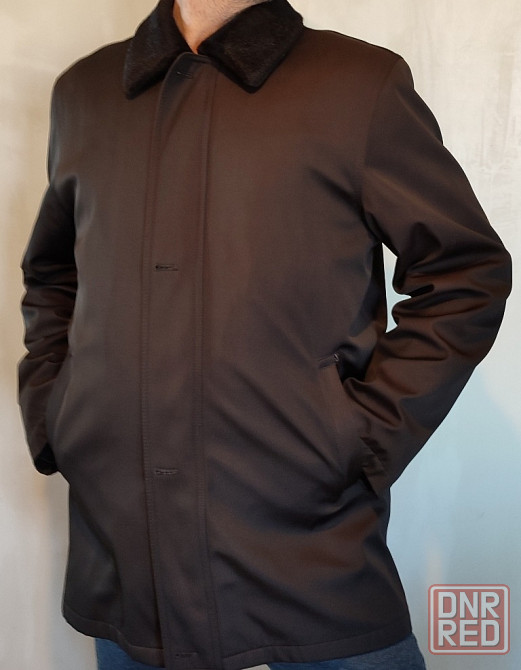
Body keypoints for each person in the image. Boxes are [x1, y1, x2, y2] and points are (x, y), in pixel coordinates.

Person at [18, 1, 511, 669]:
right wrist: (57, 411)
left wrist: (361, 436)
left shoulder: (356, 83)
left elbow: (463, 272)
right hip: (126, 543)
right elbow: (54, 274)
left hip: (307, 538)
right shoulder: (85, 91)